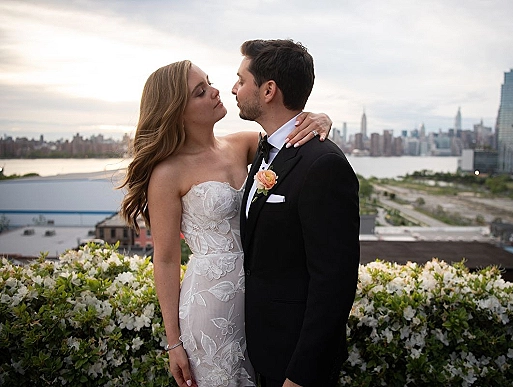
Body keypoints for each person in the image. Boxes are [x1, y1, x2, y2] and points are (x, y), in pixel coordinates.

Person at [119, 60, 332, 387]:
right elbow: (165, 259)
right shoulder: (167, 173)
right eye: (200, 92)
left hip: (260, 299)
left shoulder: (243, 144)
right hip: (209, 303)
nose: (217, 92)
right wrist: (173, 342)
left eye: (209, 83)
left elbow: (286, 132)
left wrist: (319, 118)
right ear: (177, 109)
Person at [233, 39, 360, 387]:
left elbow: (334, 283)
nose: (234, 89)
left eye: (241, 80)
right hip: (260, 351)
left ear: (269, 89)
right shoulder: (266, 149)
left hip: (295, 365)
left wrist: (301, 374)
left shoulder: (324, 165)